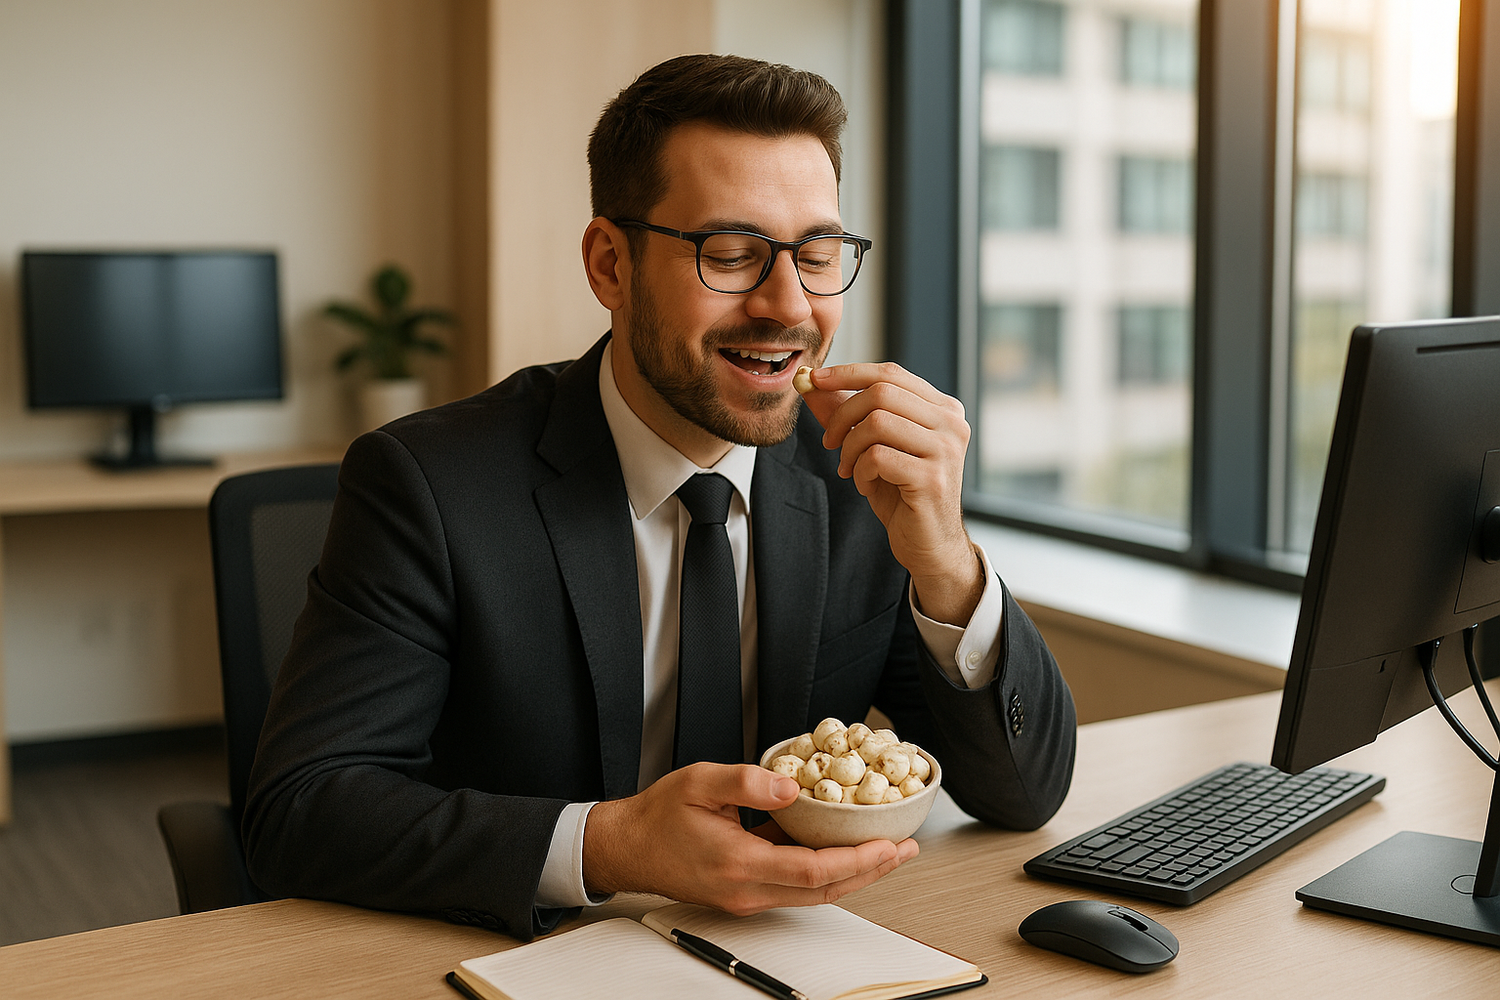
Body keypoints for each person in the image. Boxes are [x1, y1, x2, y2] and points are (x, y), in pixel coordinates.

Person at [243, 53, 1076, 941]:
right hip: (524, 956)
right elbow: (303, 809)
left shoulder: (855, 473)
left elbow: (1021, 795)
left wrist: (947, 560)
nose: (788, 305)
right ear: (611, 265)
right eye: (730, 255)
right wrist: (611, 845)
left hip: (789, 952)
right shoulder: (428, 485)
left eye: (818, 254)